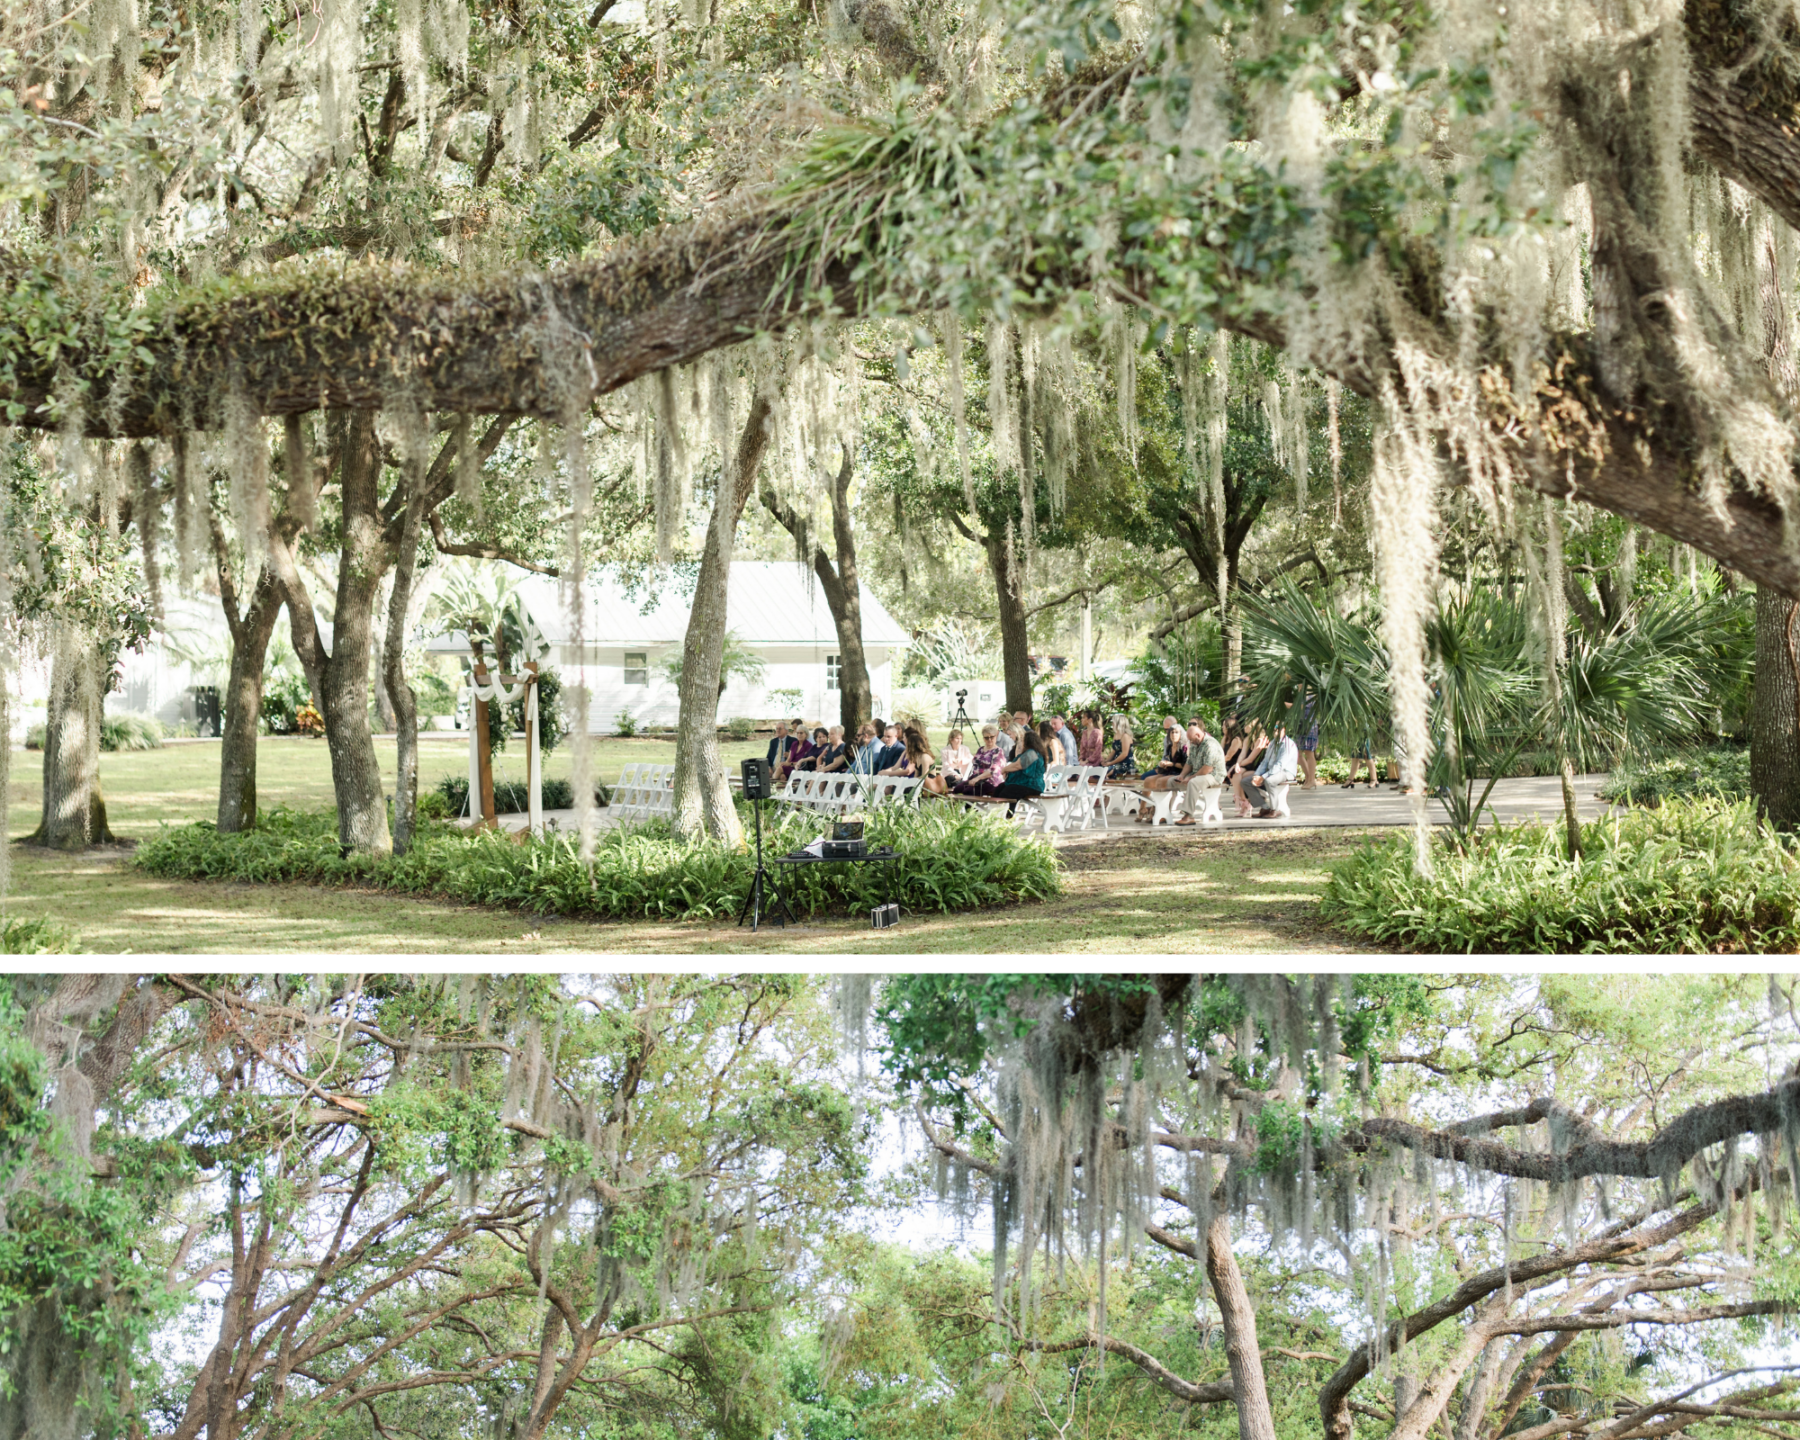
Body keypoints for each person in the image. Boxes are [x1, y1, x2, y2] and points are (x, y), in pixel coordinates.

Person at [1235, 724, 1297, 818]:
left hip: (1285, 772)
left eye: (1277, 729)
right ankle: (1265, 807)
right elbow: (1265, 762)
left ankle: (1275, 810)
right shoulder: (1272, 743)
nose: (1275, 731)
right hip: (1272, 771)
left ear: (1283, 729)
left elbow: (1280, 765)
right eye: (1274, 729)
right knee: (1245, 782)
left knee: (1269, 780)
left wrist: (1263, 777)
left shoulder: (1288, 744)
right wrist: (1257, 775)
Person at [1173, 717, 1227, 826]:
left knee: (1193, 783)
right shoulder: (1194, 743)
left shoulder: (1210, 744)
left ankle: (1189, 816)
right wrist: (1182, 775)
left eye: (1191, 740)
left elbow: (1208, 768)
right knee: (1172, 781)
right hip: (1199, 773)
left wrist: (1191, 777)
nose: (1190, 742)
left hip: (1213, 775)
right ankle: (1163, 812)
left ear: (1198, 735)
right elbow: (1189, 763)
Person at [989, 727, 1049, 815]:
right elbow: (1016, 761)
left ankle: (1006, 816)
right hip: (1020, 784)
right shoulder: (1027, 753)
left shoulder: (1032, 753)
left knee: (1008, 792)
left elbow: (1018, 765)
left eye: (1022, 740)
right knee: (999, 789)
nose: (1021, 742)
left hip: (1031, 785)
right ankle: (994, 816)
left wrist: (1005, 769)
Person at [951, 724, 1009, 795]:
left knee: (968, 792)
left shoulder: (998, 751)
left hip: (990, 781)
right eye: (986, 738)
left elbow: (992, 771)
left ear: (996, 736)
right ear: (983, 738)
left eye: (992, 737)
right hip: (975, 778)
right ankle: (958, 806)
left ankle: (971, 806)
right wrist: (974, 779)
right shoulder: (980, 749)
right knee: (957, 790)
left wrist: (977, 778)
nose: (989, 740)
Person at [1285, 687, 1320, 789]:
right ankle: (1308, 777)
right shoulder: (1301, 696)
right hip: (1300, 726)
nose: (1299, 685)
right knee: (1298, 753)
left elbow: (1298, 707)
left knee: (1309, 752)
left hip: (1308, 725)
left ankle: (1312, 779)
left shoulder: (1310, 696)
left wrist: (1282, 704)